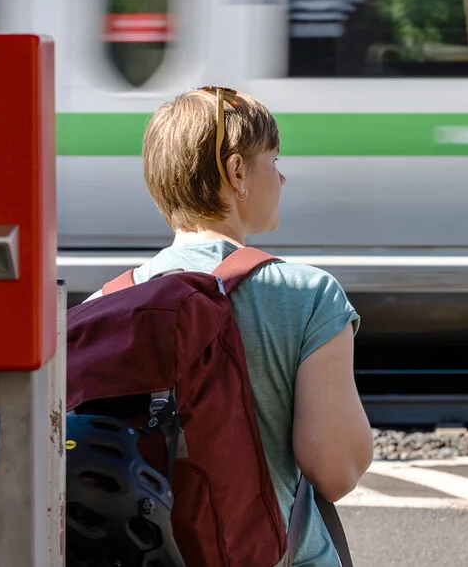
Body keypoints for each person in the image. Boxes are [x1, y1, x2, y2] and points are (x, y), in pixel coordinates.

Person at [83, 85, 373, 566]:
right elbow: (336, 470)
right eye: (273, 161)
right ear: (237, 172)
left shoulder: (105, 306)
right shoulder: (309, 295)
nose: (281, 178)